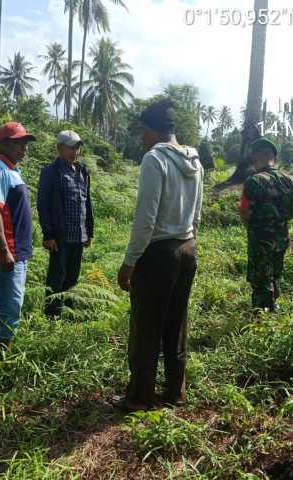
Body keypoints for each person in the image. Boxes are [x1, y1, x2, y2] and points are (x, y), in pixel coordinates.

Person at [114, 99, 204, 411]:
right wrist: (190, 242)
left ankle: (141, 397)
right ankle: (175, 391)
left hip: (158, 254)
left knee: (146, 327)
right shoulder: (195, 161)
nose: (142, 137)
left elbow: (145, 218)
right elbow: (196, 214)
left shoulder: (155, 160)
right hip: (186, 249)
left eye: (143, 131)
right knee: (177, 323)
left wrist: (130, 261)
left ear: (154, 130)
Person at [0, 122, 36, 350]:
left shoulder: (12, 169)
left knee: (11, 303)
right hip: (7, 253)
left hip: (16, 251)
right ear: (3, 143)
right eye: (17, 143)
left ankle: (1, 350)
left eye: (25, 143)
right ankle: (0, 358)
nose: (23, 148)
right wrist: (4, 251)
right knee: (10, 306)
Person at [238, 137, 293, 312]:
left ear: (255, 157)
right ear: (274, 157)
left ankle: (262, 316)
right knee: (275, 274)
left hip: (260, 240)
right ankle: (274, 307)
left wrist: (255, 225)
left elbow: (244, 211)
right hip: (281, 238)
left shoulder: (253, 181)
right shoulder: (288, 179)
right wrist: (279, 221)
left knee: (260, 278)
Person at [37, 130, 94, 319]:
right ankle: (51, 315)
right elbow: (43, 205)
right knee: (56, 276)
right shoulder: (51, 172)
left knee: (72, 277)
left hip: (78, 235)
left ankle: (69, 312)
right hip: (60, 236)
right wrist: (48, 234)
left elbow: (87, 202)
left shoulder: (82, 171)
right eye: (71, 147)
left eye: (77, 147)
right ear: (60, 148)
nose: (75, 151)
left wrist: (89, 231)